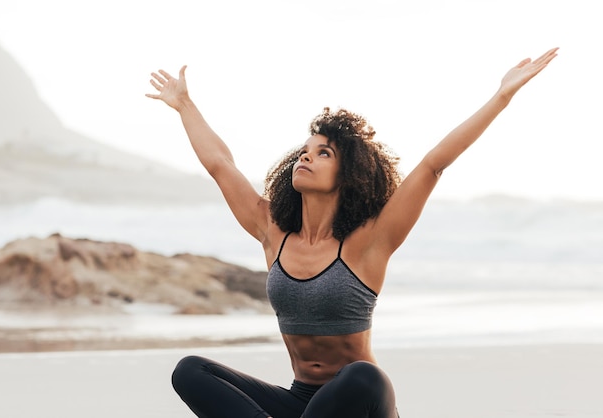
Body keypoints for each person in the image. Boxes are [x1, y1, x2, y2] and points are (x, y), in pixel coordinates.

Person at [146, 47, 558, 418]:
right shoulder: (272, 231)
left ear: (349, 174)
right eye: (305, 150)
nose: (308, 155)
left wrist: (501, 96)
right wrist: (184, 106)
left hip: (360, 406)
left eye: (324, 152)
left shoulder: (369, 241)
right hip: (300, 402)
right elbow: (221, 164)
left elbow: (434, 164)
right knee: (191, 371)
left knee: (363, 376)